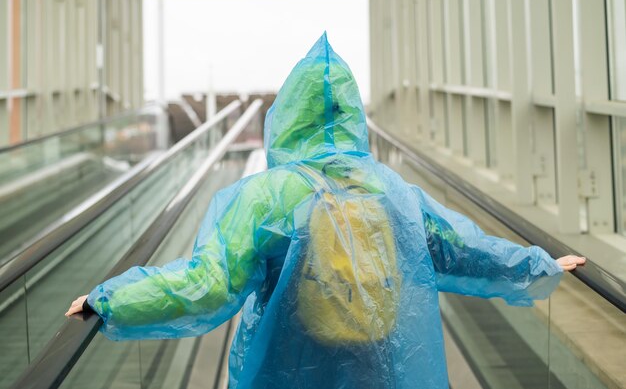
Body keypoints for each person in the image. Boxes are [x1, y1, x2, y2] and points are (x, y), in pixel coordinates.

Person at [66, 33, 585, 389]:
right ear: (355, 114)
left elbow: (207, 286)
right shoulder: (392, 192)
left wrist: (108, 299)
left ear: (287, 118)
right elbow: (461, 249)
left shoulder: (268, 197)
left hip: (288, 369)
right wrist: (539, 264)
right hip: (378, 368)